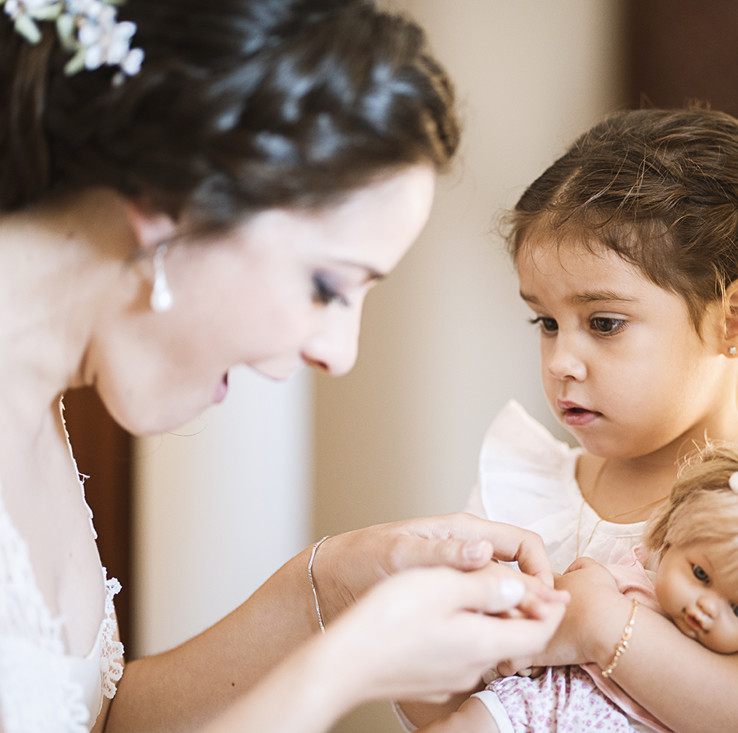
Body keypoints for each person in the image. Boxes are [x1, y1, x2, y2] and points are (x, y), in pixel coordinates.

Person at [0, 2, 569, 732]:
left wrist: (326, 592)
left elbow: (89, 719)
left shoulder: (35, 397)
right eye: (328, 286)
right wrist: (351, 664)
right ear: (170, 194)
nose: (339, 352)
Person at [398, 107, 738, 732]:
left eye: (604, 323)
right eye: (546, 323)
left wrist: (606, 630)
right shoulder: (522, 491)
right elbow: (433, 707)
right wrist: (437, 651)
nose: (562, 362)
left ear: (736, 319)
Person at [419, 439, 738, 733]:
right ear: (671, 535)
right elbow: (572, 590)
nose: (706, 608)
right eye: (700, 575)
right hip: (535, 712)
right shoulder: (634, 576)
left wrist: (599, 622)